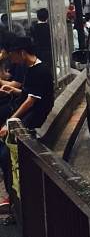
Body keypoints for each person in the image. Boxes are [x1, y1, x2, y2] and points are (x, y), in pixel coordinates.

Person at [0, 37, 54, 204]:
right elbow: (27, 93)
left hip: (32, 117)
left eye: (13, 55)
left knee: (6, 155)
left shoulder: (40, 71)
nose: (11, 59)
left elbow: (30, 101)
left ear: (22, 53)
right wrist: (13, 90)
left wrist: (10, 122)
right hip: (27, 115)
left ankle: (15, 197)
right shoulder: (31, 68)